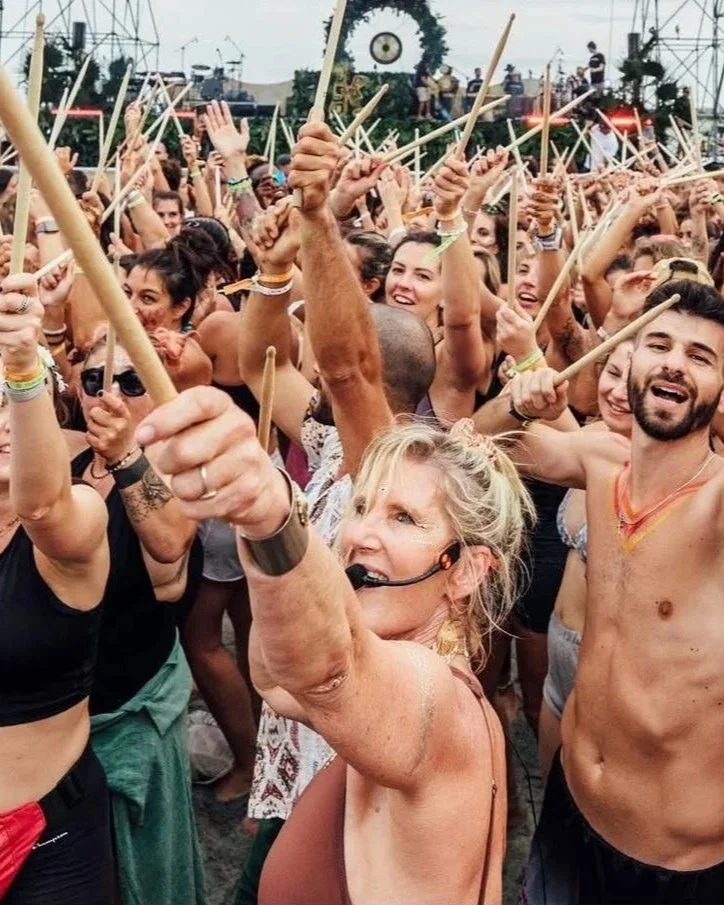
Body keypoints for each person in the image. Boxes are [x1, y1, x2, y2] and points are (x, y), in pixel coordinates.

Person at [134, 377, 536, 904]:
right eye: (363, 506)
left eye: (404, 518)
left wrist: (272, 518)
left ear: (466, 572)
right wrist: (252, 522)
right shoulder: (403, 681)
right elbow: (275, 681)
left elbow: (325, 673)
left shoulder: (438, 704)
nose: (359, 535)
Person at [508, 279, 724, 903]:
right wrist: (521, 396)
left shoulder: (715, 506)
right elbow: (484, 443)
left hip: (671, 865)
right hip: (571, 806)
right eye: (659, 344)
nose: (675, 363)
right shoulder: (602, 463)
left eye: (701, 356)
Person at [72, 331, 206, 904]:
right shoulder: (69, 453)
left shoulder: (180, 472)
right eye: (95, 380)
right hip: (62, 717)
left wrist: (125, 456)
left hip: (125, 716)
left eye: (131, 381)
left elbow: (172, 546)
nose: (111, 396)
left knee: (139, 877)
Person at [0, 274, 111, 902]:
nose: (3, 423)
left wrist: (23, 367)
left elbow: (41, 508)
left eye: (12, 401)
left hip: (49, 840)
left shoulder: (80, 517)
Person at [538, 341, 633, 777]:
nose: (618, 392)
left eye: (634, 384)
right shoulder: (592, 439)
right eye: (612, 374)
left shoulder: (667, 472)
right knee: (549, 815)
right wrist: (525, 379)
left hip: (606, 679)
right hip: (556, 664)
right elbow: (489, 437)